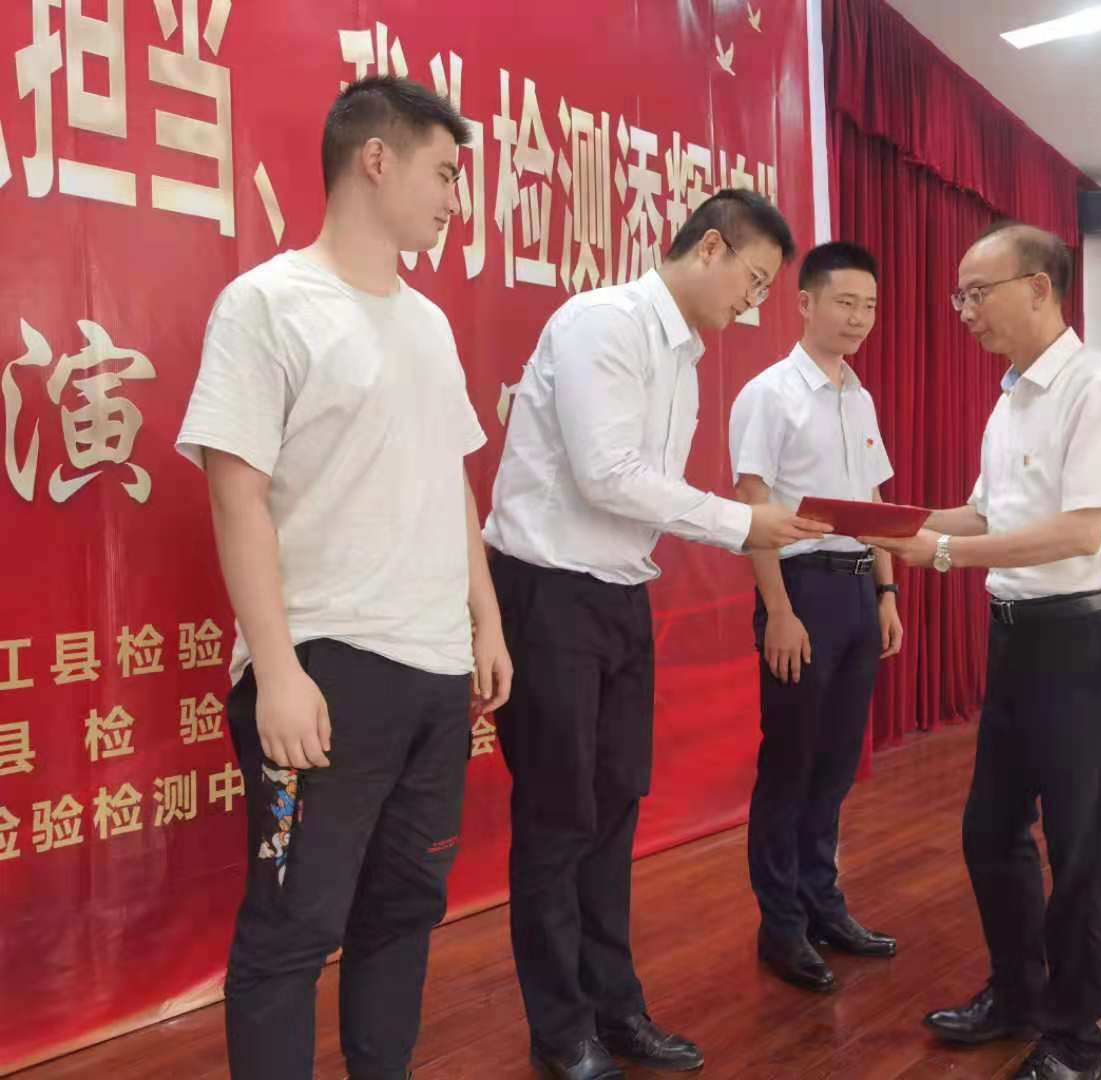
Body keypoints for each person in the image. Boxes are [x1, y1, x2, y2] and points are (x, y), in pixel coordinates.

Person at [175, 75, 511, 1080]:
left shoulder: (429, 323)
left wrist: (485, 620)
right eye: (443, 173)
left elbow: (451, 481)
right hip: (326, 670)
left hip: (435, 672)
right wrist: (276, 669)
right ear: (376, 159)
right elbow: (235, 492)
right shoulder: (268, 304)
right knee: (294, 927)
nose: (454, 198)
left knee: (404, 910)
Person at [484, 188, 830, 1080]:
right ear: (709, 248)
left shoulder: (684, 356)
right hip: (548, 592)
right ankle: (561, 1032)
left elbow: (640, 493)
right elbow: (607, 476)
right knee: (558, 817)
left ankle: (616, 1007)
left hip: (619, 594)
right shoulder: (603, 323)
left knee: (614, 808)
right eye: (754, 281)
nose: (752, 303)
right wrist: (741, 523)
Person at [866, 222, 1101, 1080]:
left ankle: (1076, 1043)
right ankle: (1018, 994)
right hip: (1017, 638)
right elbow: (988, 514)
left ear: (1039, 288)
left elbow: (1078, 530)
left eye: (976, 292)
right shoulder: (1011, 396)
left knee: (1081, 847)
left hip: (1081, 639)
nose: (963, 310)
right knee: (990, 830)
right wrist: (888, 523)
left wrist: (942, 554)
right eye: (959, 295)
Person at [728, 241, 903, 994]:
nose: (858, 318)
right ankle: (781, 925)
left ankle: (824, 905)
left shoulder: (859, 396)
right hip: (800, 591)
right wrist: (778, 611)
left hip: (859, 591)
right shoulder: (769, 394)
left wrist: (887, 593)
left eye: (869, 306)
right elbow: (753, 505)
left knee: (834, 764)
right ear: (805, 303)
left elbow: (876, 504)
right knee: (790, 764)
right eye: (845, 302)